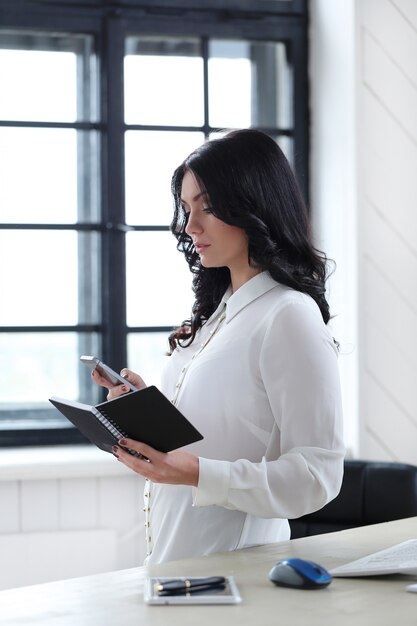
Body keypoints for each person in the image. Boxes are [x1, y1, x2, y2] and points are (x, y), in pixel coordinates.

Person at [92, 128, 345, 565]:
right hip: (178, 572)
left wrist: (198, 474)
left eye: (207, 207)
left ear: (253, 206)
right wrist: (138, 408)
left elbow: (318, 476)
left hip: (239, 579)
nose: (190, 226)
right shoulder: (215, 316)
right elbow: (214, 431)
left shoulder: (288, 315)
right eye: (187, 208)